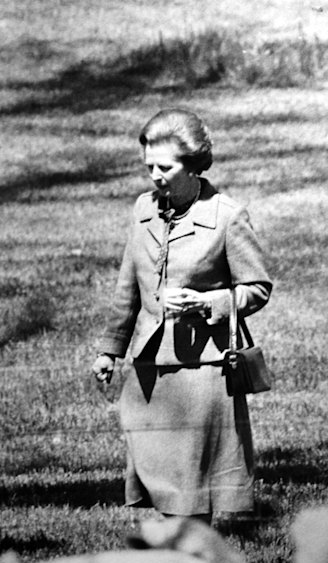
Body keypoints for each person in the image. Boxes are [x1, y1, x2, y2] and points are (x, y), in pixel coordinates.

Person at [92, 108, 272, 530]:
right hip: (149, 366)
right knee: (153, 467)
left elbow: (258, 288)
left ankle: (192, 562)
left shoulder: (227, 216)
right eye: (148, 167)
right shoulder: (142, 210)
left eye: (165, 167)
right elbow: (127, 288)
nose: (155, 176)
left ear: (193, 166)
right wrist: (108, 349)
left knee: (190, 482)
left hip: (202, 371)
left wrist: (209, 302)